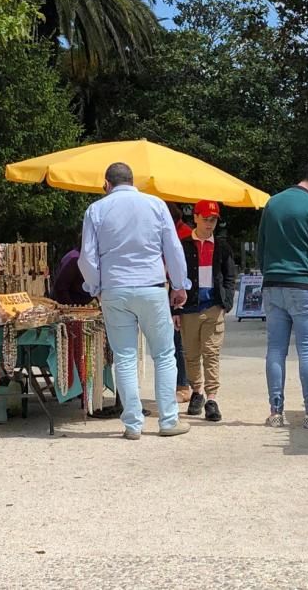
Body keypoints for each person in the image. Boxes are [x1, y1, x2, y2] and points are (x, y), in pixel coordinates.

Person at [78, 162, 192, 440]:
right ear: (133, 181)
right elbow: (173, 249)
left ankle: (132, 424)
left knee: (125, 357)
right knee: (164, 354)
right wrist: (180, 285)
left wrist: (96, 287)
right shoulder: (155, 205)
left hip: (115, 288)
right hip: (152, 286)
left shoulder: (96, 210)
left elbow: (87, 257)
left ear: (107, 184)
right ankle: (168, 420)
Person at [257, 156, 308, 429]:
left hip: (273, 285)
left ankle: (275, 412)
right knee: (307, 350)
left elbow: (260, 248)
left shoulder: (272, 203)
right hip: (305, 286)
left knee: (276, 350)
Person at [173, 200, 237, 422]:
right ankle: (196, 391)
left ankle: (212, 397)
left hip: (213, 306)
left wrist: (226, 301)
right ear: (196, 218)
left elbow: (230, 276)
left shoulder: (222, 247)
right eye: (206, 219)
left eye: (213, 220)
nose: (210, 224)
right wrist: (175, 309)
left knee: (211, 352)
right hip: (189, 306)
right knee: (190, 353)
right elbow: (174, 278)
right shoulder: (183, 245)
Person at [166, 202, 192, 402]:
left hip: (177, 289)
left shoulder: (183, 235)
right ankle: (180, 383)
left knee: (178, 339)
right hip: (167, 287)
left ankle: (183, 384)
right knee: (173, 340)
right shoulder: (179, 232)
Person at [51, 231, 93, 306]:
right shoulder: (74, 259)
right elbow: (60, 288)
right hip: (70, 308)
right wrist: (71, 307)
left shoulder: (84, 258)